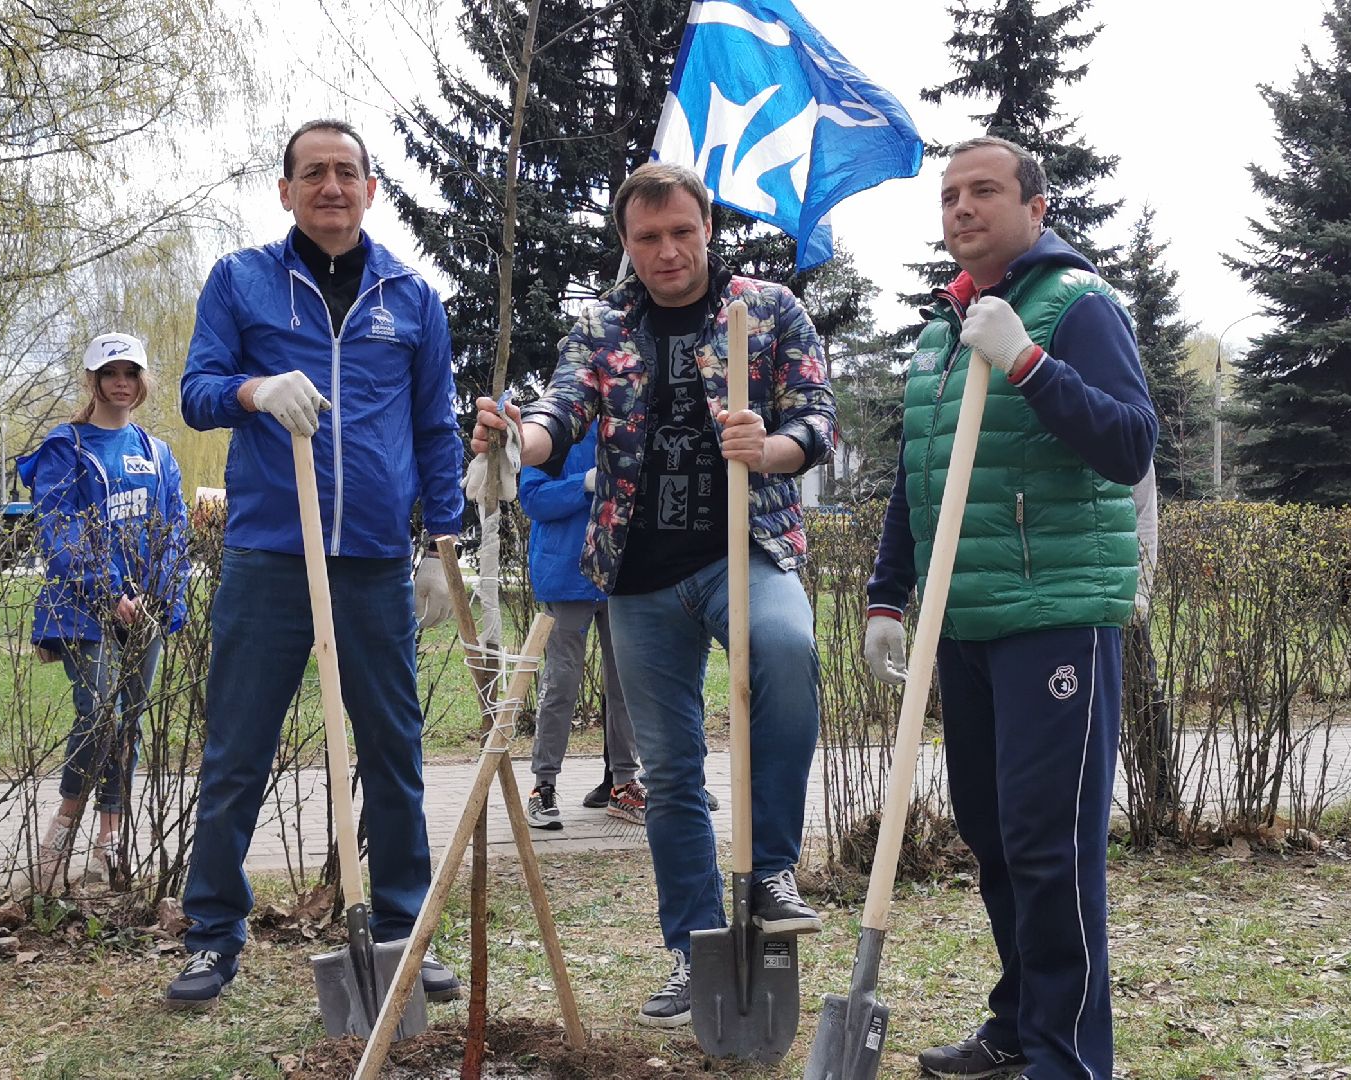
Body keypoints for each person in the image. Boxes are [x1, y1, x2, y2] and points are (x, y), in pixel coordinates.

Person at [471, 161, 836, 1028]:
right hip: (635, 574)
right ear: (627, 245)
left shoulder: (767, 309)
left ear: (708, 226)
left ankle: (773, 868)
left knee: (785, 653)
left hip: (744, 548)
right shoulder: (599, 326)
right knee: (670, 775)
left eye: (680, 231)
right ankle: (693, 948)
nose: (666, 251)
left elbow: (816, 417)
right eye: (646, 238)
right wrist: (512, 440)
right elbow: (558, 417)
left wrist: (773, 447)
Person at [861, 135, 1156, 1080]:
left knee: (1049, 845)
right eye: (948, 195)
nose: (961, 209)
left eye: (983, 191)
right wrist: (885, 596)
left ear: (1035, 208)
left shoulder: (1078, 306)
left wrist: (1028, 361)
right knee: (993, 837)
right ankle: (1020, 1024)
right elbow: (924, 479)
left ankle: (1069, 1059)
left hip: (1056, 614)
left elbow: (1128, 442)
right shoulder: (943, 331)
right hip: (968, 621)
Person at [166, 119, 466, 1011]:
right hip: (268, 554)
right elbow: (195, 391)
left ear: (372, 188)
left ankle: (402, 929)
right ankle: (214, 933)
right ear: (286, 190)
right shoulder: (241, 280)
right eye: (313, 173)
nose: (331, 186)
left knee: (394, 751)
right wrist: (254, 391)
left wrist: (442, 547)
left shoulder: (410, 297)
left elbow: (435, 429)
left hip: (374, 561)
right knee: (235, 754)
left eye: (347, 172)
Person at [18, 332, 191, 893]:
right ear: (92, 380)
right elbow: (59, 527)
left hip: (145, 613)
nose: (121, 382)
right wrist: (107, 589)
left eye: (131, 373)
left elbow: (174, 530)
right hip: (84, 611)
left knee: (129, 723)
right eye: (110, 372)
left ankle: (106, 841)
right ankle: (61, 832)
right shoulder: (63, 447)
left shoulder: (157, 453)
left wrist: (160, 597)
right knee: (99, 715)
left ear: (143, 382)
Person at [517, 427, 643, 829]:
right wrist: (584, 483)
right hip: (565, 574)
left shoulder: (626, 423)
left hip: (619, 573)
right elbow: (533, 499)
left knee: (624, 683)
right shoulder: (551, 429)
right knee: (561, 683)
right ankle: (544, 786)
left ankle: (624, 785)